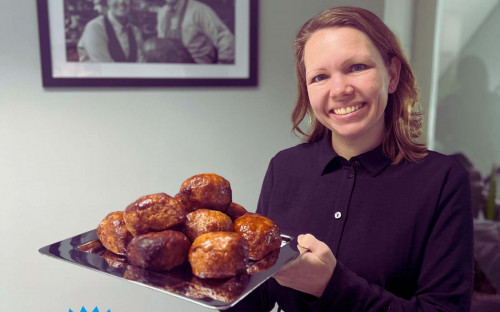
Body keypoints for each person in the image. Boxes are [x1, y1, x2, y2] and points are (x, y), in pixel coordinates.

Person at [228, 6, 473, 312]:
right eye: (320, 76)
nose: (340, 90)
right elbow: (259, 293)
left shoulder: (443, 180)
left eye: (357, 67)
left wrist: (331, 285)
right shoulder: (284, 168)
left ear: (392, 75)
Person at [155, 0, 234, 63]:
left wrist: (222, 67)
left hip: (197, 72)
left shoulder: (199, 10)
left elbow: (226, 38)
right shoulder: (162, 12)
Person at [77, 0, 144, 62]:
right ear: (107, 1)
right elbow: (106, 69)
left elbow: (141, 66)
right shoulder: (95, 28)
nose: (121, 1)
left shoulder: (135, 32)